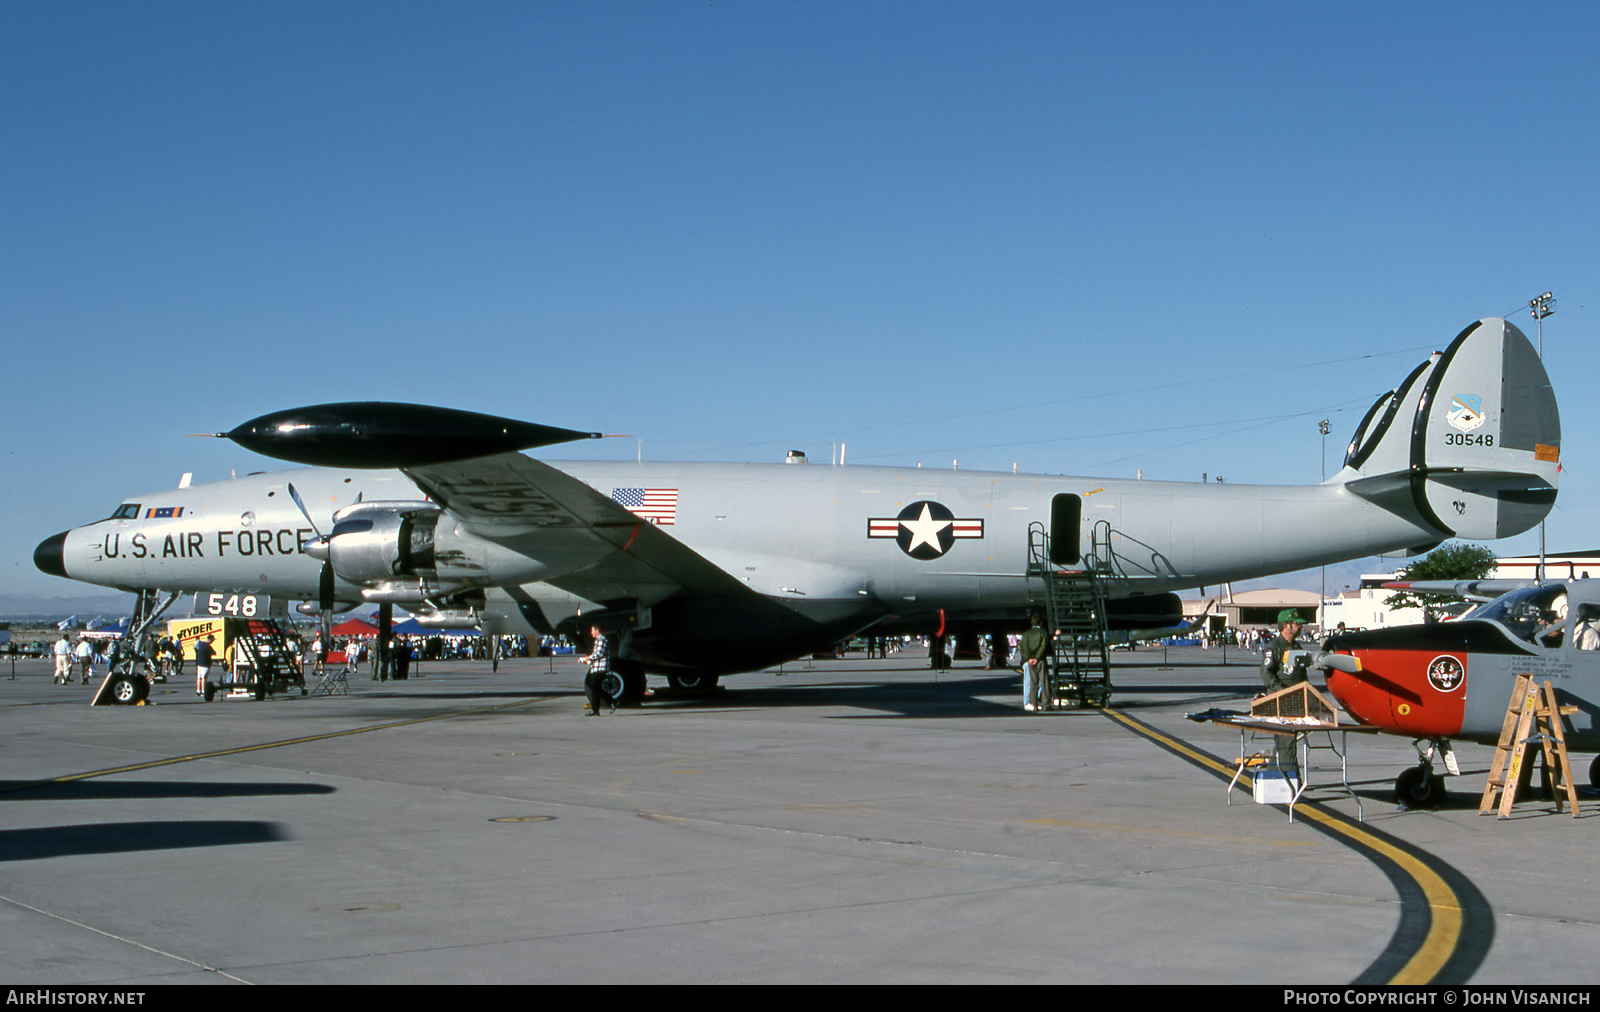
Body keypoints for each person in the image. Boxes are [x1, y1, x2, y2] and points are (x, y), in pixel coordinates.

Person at [1020, 612, 1049, 712]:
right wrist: (1037, 657)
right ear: (1040, 622)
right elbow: (1043, 646)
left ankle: (1034, 704)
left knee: (1033, 683)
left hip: (1030, 660)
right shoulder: (1043, 632)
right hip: (1040, 660)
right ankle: (1045, 704)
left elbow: (1022, 647)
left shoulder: (1026, 633)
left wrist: (1029, 658)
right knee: (1044, 682)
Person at [584, 625, 612, 715]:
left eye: (592, 630)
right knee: (596, 687)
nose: (591, 633)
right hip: (596, 668)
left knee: (595, 688)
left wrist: (587, 658)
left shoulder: (601, 640)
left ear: (597, 630)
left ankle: (595, 709)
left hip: (600, 668)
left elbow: (599, 653)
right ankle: (610, 702)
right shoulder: (598, 640)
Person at [195, 635, 218, 701]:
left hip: (199, 663)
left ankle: (198, 690)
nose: (212, 642)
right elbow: (214, 653)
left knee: (199, 678)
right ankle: (203, 691)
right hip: (205, 664)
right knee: (204, 678)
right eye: (212, 640)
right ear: (210, 640)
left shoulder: (200, 644)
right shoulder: (208, 647)